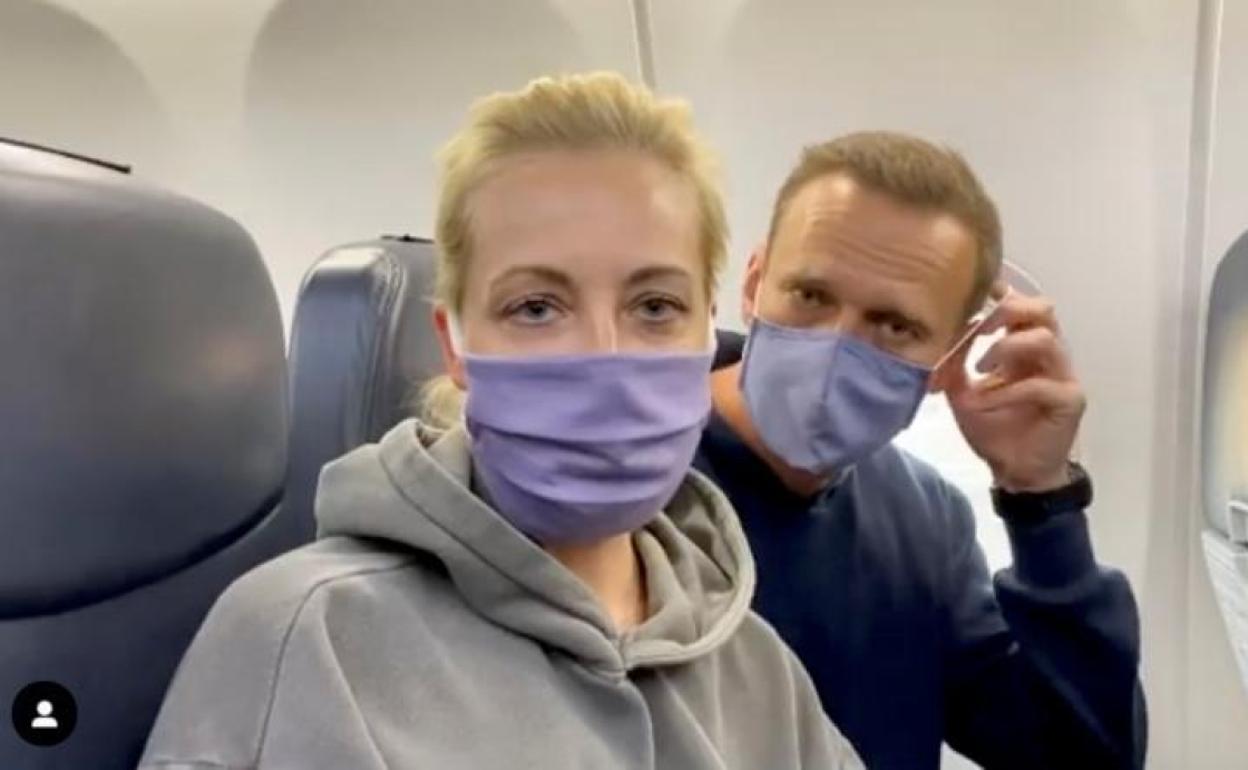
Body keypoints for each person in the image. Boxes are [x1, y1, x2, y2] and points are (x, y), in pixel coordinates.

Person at [138, 72, 862, 770]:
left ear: (708, 329)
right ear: (455, 345)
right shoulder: (306, 642)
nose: (603, 359)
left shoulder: (755, 666)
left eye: (655, 307)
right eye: (537, 308)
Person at [695, 132, 1145, 770]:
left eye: (894, 325)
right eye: (811, 296)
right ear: (754, 283)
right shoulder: (631, 477)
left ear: (948, 360)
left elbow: (1083, 759)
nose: (835, 346)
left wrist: (1042, 499)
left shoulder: (926, 519)